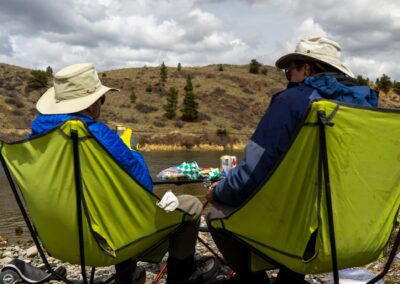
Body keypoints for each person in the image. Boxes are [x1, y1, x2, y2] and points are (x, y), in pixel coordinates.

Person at [205, 36, 378, 283]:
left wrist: (218, 191)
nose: (288, 78)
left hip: (299, 230)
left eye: (289, 72)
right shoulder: (368, 109)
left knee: (217, 216)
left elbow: (252, 171)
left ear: (306, 69)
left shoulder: (293, 102)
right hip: (353, 227)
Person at [31, 63, 219, 284]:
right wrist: (130, 150)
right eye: (101, 99)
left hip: (61, 242)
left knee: (109, 205)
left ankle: (127, 275)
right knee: (191, 204)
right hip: (113, 241)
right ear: (91, 106)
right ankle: (181, 277)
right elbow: (143, 188)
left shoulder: (35, 140)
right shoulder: (97, 135)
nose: (101, 105)